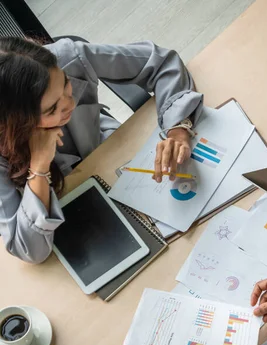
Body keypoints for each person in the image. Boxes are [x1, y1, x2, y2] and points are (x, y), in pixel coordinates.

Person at [0, 37, 203, 264]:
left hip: (113, 157)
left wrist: (177, 128)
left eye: (66, 84)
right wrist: (38, 167)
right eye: (52, 109)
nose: (70, 104)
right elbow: (29, 250)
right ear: (17, 123)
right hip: (76, 225)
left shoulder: (66, 57)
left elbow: (161, 61)